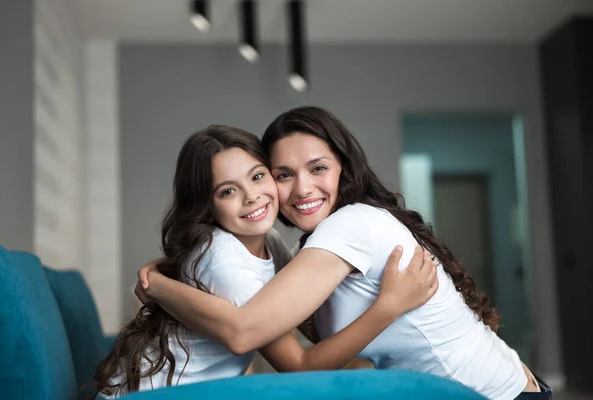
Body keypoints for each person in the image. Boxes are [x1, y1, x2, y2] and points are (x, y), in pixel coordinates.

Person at [137, 107, 552, 400]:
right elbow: (289, 346)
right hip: (507, 384)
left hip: (497, 393)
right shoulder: (304, 247)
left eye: (318, 168)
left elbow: (253, 334)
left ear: (344, 169)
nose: (301, 189)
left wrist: (157, 284)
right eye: (284, 174)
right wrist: (167, 274)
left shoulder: (351, 225)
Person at [94, 125, 438, 398]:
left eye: (258, 176)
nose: (252, 196)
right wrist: (388, 306)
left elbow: (305, 316)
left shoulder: (268, 242)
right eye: (228, 191)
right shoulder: (224, 260)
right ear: (206, 206)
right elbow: (299, 365)